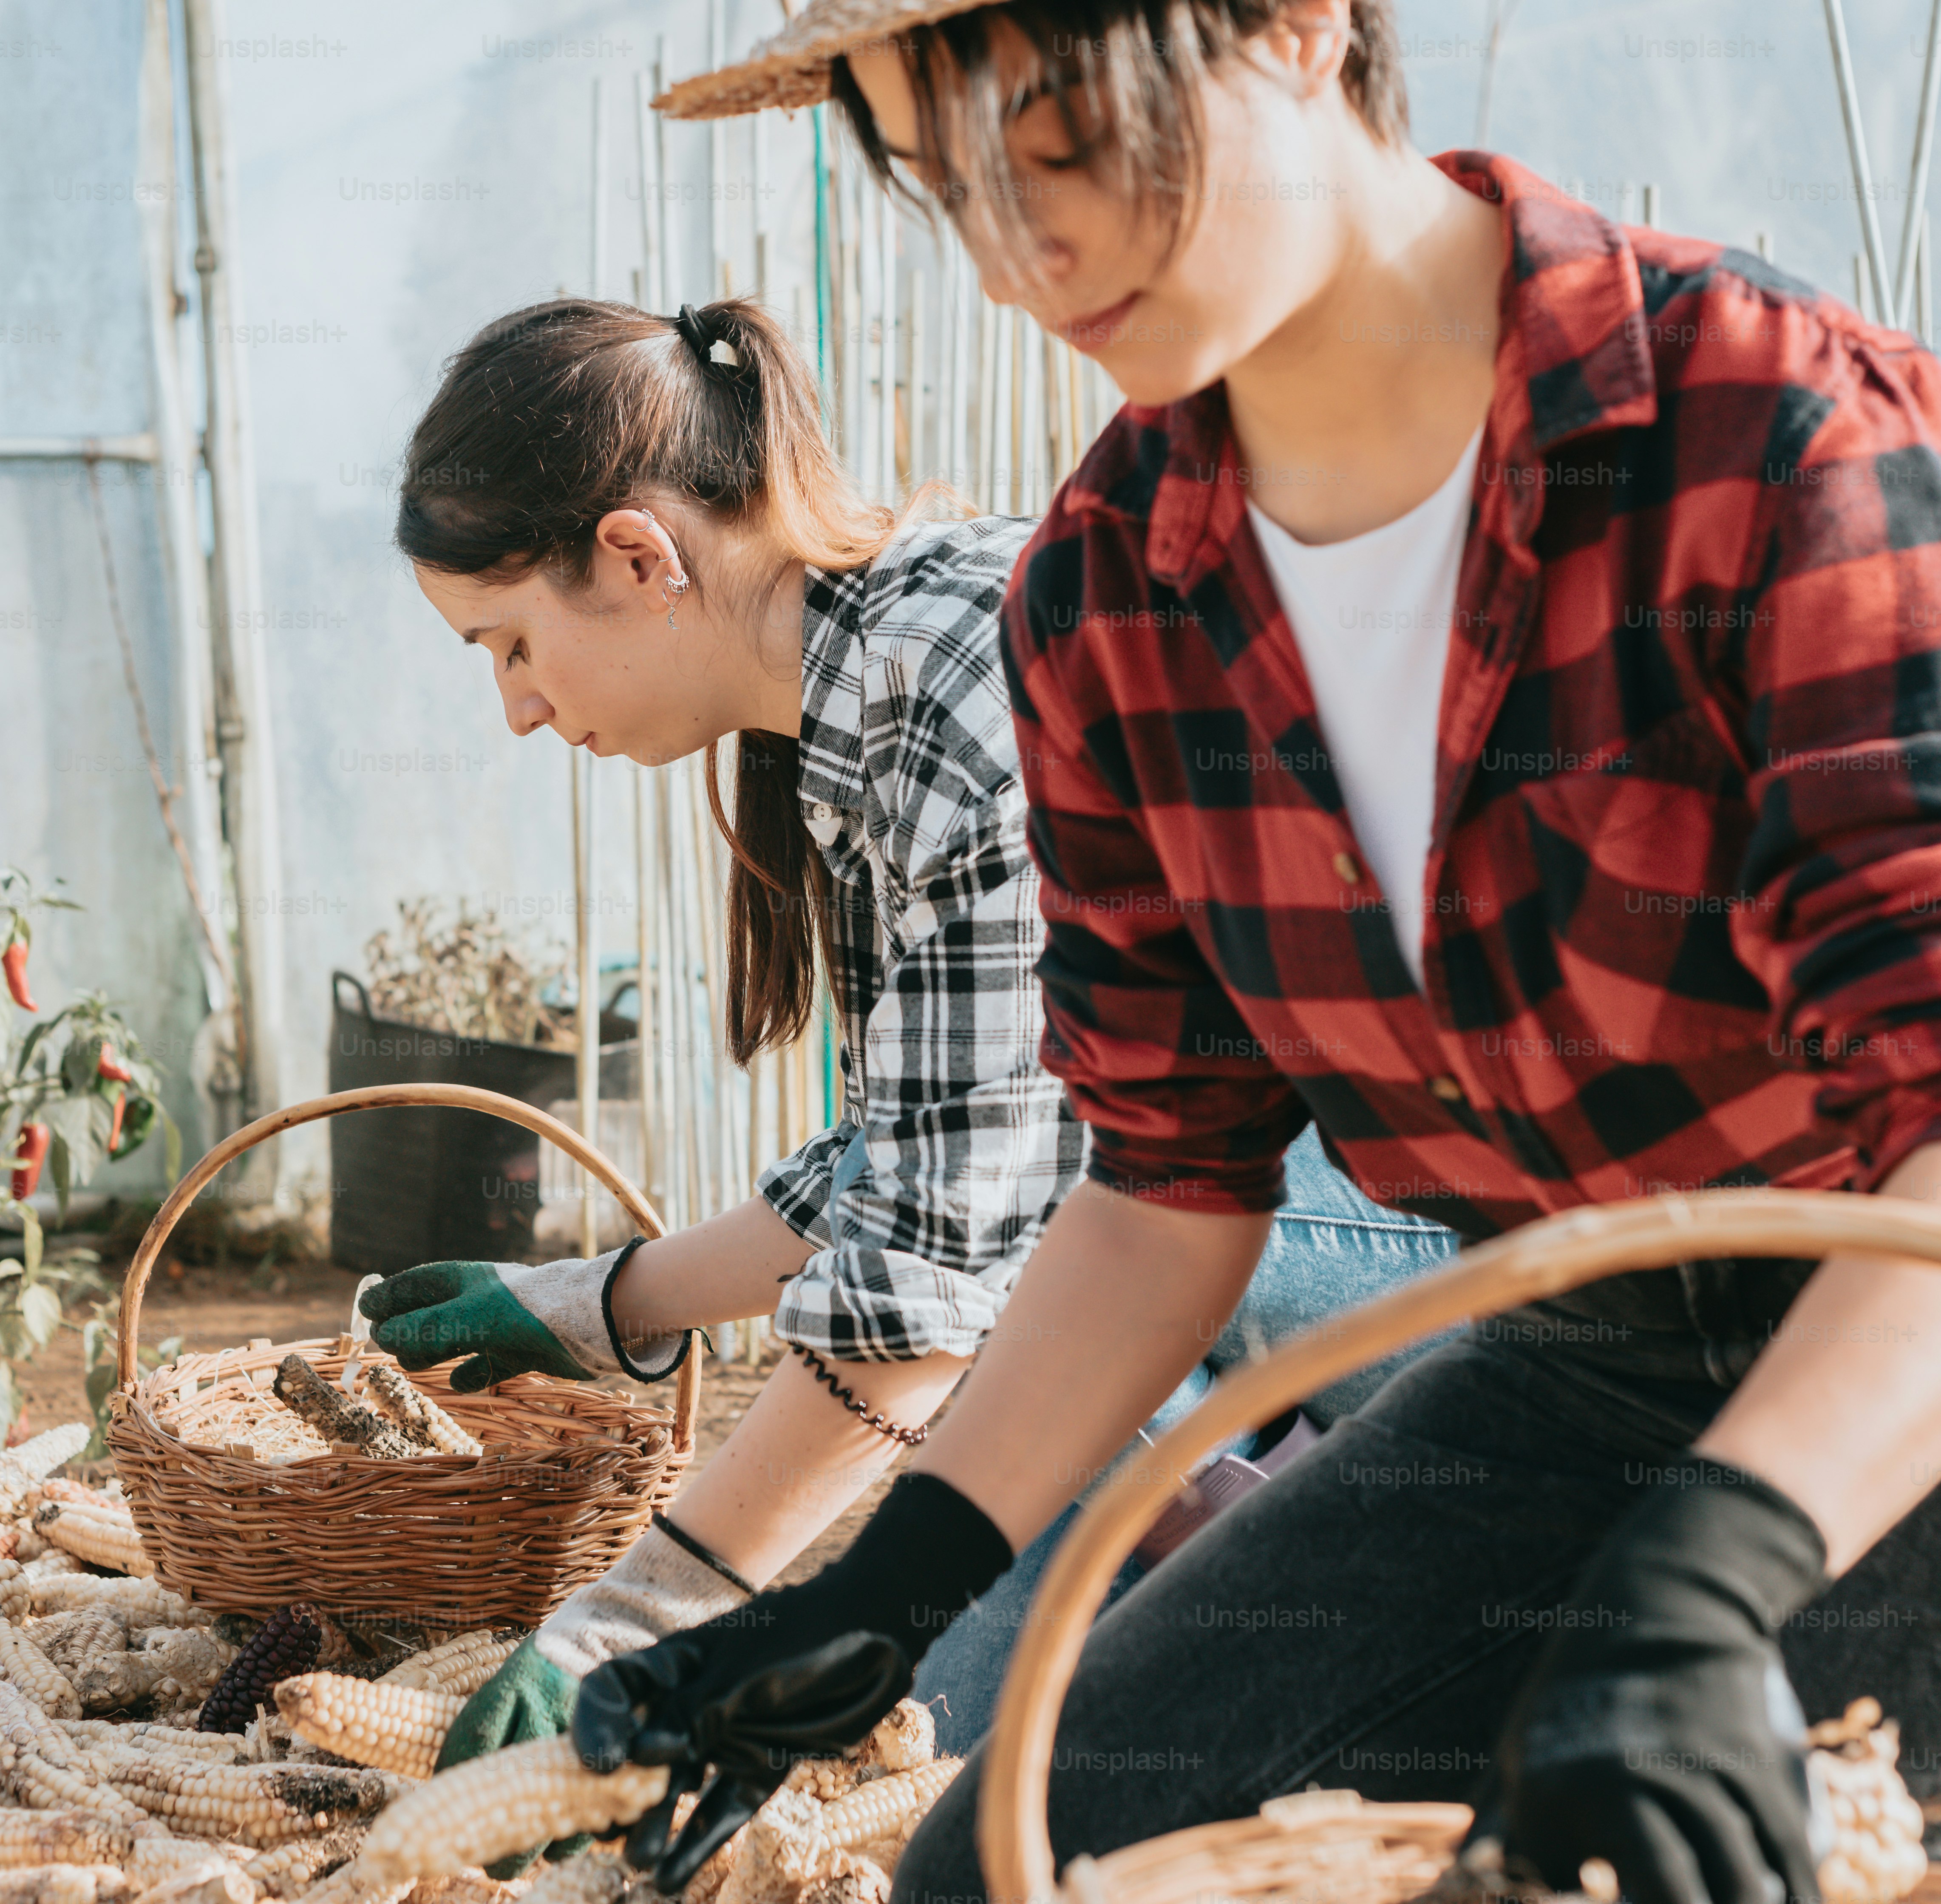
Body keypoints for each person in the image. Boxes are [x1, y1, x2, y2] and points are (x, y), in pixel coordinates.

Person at [597, 6, 1941, 1900]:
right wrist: (890, 1580)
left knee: (1676, 1860)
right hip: (1606, 1338)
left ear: (1292, 23)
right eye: (951, 187)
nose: (1022, 249)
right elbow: (1166, 1187)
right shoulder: (1107, 595)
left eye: (1057, 138)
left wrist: (1710, 1575)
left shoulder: (1760, 419)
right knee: (1007, 1871)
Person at [374, 293, 1463, 1819]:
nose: (516, 708)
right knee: (941, 1771)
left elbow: (942, 1269)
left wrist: (635, 1620)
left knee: (1000, 1396)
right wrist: (602, 1303)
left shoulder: (963, 692)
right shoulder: (864, 694)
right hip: (1222, 1227)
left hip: (1456, 1230)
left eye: (510, 643)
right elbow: (916, 1166)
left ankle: (1359, 1576)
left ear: (637, 558)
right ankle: (1270, 1547)